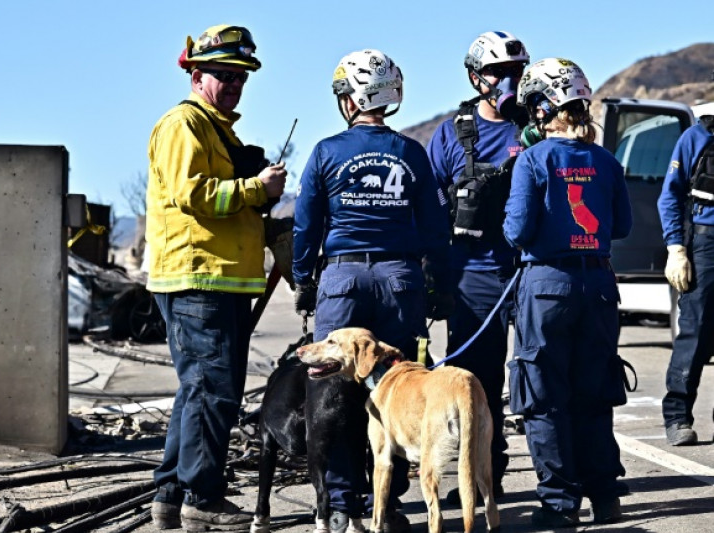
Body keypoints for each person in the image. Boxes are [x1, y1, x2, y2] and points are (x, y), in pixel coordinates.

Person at [293, 48, 452, 533]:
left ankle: (341, 504)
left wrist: (304, 280)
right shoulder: (411, 153)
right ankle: (392, 502)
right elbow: (434, 227)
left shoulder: (325, 152)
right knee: (398, 388)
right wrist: (437, 284)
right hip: (400, 278)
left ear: (349, 99)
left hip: (342, 278)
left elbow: (305, 224)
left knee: (336, 393)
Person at [145, 24, 288, 531]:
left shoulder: (216, 130)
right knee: (212, 393)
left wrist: (254, 189)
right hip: (198, 278)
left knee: (196, 392)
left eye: (240, 77)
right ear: (195, 73)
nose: (233, 85)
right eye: (223, 75)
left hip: (216, 281)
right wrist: (255, 188)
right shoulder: (185, 124)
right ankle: (201, 501)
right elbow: (194, 194)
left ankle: (170, 495)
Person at [503, 57, 632, 528]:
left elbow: (517, 231)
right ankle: (605, 497)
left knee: (544, 398)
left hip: (547, 286)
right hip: (598, 283)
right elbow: (621, 225)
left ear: (542, 107)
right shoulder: (607, 160)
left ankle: (559, 506)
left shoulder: (532, 160)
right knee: (595, 392)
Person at [425, 30, 530, 503]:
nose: (510, 80)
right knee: (474, 385)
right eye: (499, 72)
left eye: (516, 71)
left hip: (530, 272)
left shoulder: (536, 126)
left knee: (542, 378)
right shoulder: (450, 133)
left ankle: (571, 482)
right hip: (474, 276)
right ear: (475, 78)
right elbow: (428, 207)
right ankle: (480, 480)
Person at [657, 77, 714, 446]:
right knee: (695, 333)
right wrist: (676, 248)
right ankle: (677, 417)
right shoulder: (696, 136)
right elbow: (670, 196)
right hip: (706, 242)